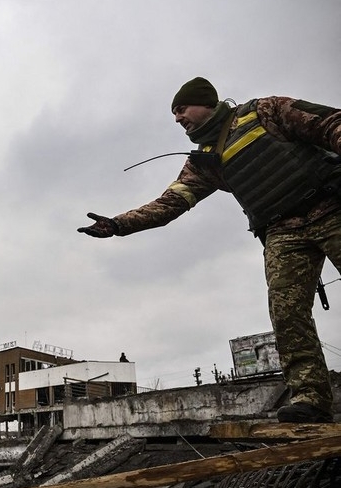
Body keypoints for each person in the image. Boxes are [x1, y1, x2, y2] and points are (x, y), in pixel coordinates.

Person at [78, 76, 341, 424]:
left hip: (331, 207)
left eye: (181, 109)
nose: (177, 118)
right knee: (287, 314)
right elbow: (170, 203)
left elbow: (329, 125)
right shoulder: (204, 161)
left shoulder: (264, 111)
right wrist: (118, 225)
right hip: (282, 232)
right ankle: (310, 397)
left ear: (206, 102)